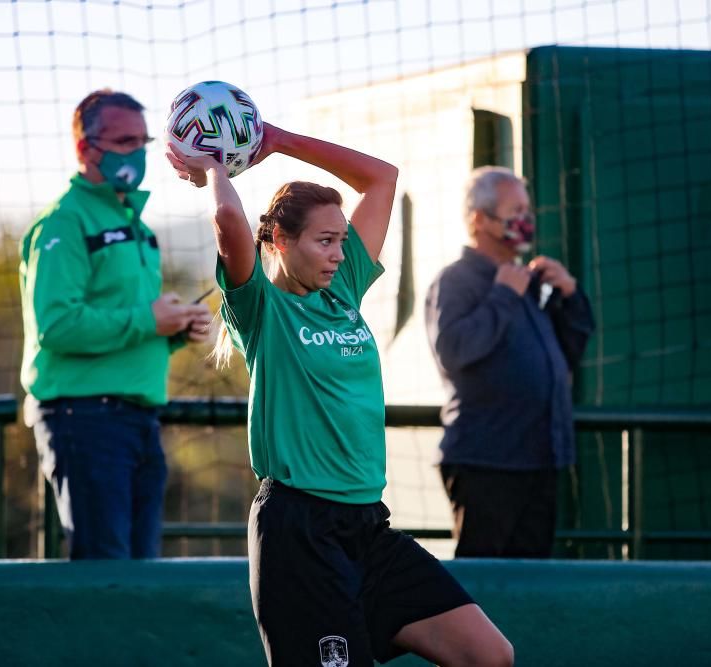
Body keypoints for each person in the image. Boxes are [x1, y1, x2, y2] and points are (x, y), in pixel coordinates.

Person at [166, 127, 513, 666]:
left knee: (488, 654)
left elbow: (382, 178)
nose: (337, 253)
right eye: (323, 241)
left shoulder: (344, 287)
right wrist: (213, 168)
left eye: (341, 239)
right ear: (281, 241)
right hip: (299, 531)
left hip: (367, 527)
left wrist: (276, 140)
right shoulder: (261, 308)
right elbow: (230, 222)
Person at [19, 89, 212, 560]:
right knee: (105, 573)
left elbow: (127, 327)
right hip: (85, 420)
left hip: (137, 419)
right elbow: (58, 326)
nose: (136, 153)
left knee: (139, 577)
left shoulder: (137, 226)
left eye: (141, 142)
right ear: (86, 148)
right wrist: (149, 321)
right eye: (124, 142)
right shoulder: (64, 223)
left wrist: (172, 330)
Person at [425, 166, 595, 559]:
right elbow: (454, 351)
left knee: (529, 583)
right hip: (487, 460)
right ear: (479, 220)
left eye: (527, 209)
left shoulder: (528, 281)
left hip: (540, 458)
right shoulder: (456, 280)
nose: (525, 219)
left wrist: (569, 295)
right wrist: (503, 295)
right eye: (514, 209)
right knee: (482, 586)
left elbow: (568, 351)